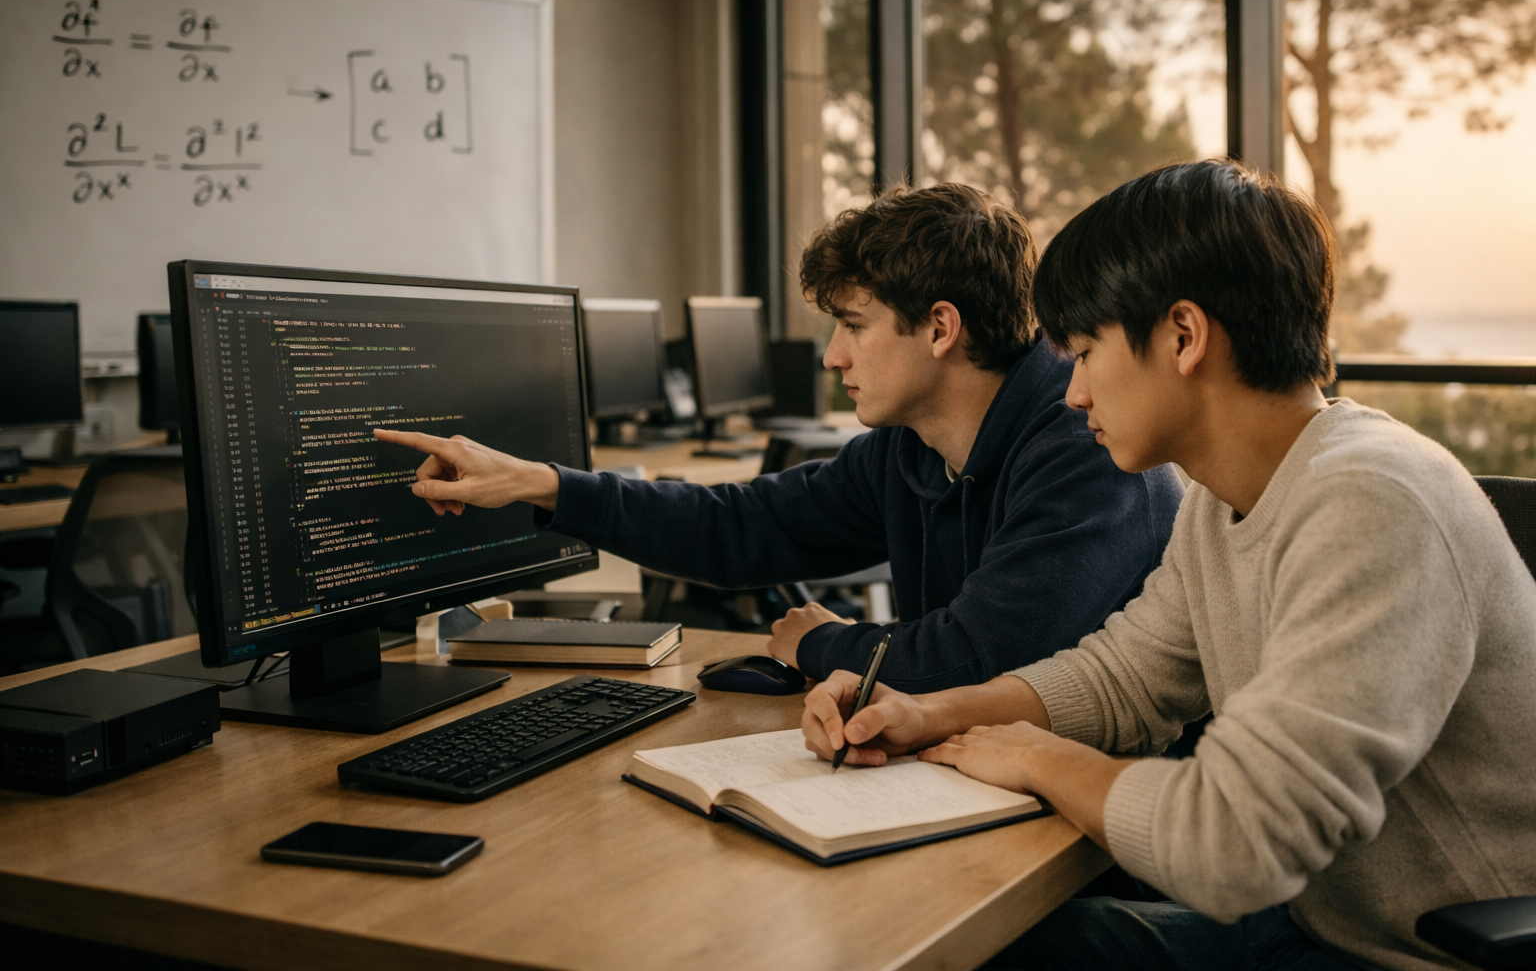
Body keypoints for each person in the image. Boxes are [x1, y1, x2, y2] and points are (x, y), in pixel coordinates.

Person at [802, 160, 1536, 970]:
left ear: (1183, 336)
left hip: (1415, 956)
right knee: (944, 940)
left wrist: (1039, 759)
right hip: (1314, 924)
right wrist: (930, 713)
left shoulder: (1374, 503)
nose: (1073, 393)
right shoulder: (1226, 502)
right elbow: (1123, 680)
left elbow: (1231, 844)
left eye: (1085, 352)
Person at [376, 183, 1182, 692]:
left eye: (853, 326)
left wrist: (822, 642)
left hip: (1101, 840)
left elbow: (980, 661)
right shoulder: (911, 449)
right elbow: (740, 527)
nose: (833, 356)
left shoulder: (1087, 448)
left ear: (940, 328)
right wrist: (542, 484)